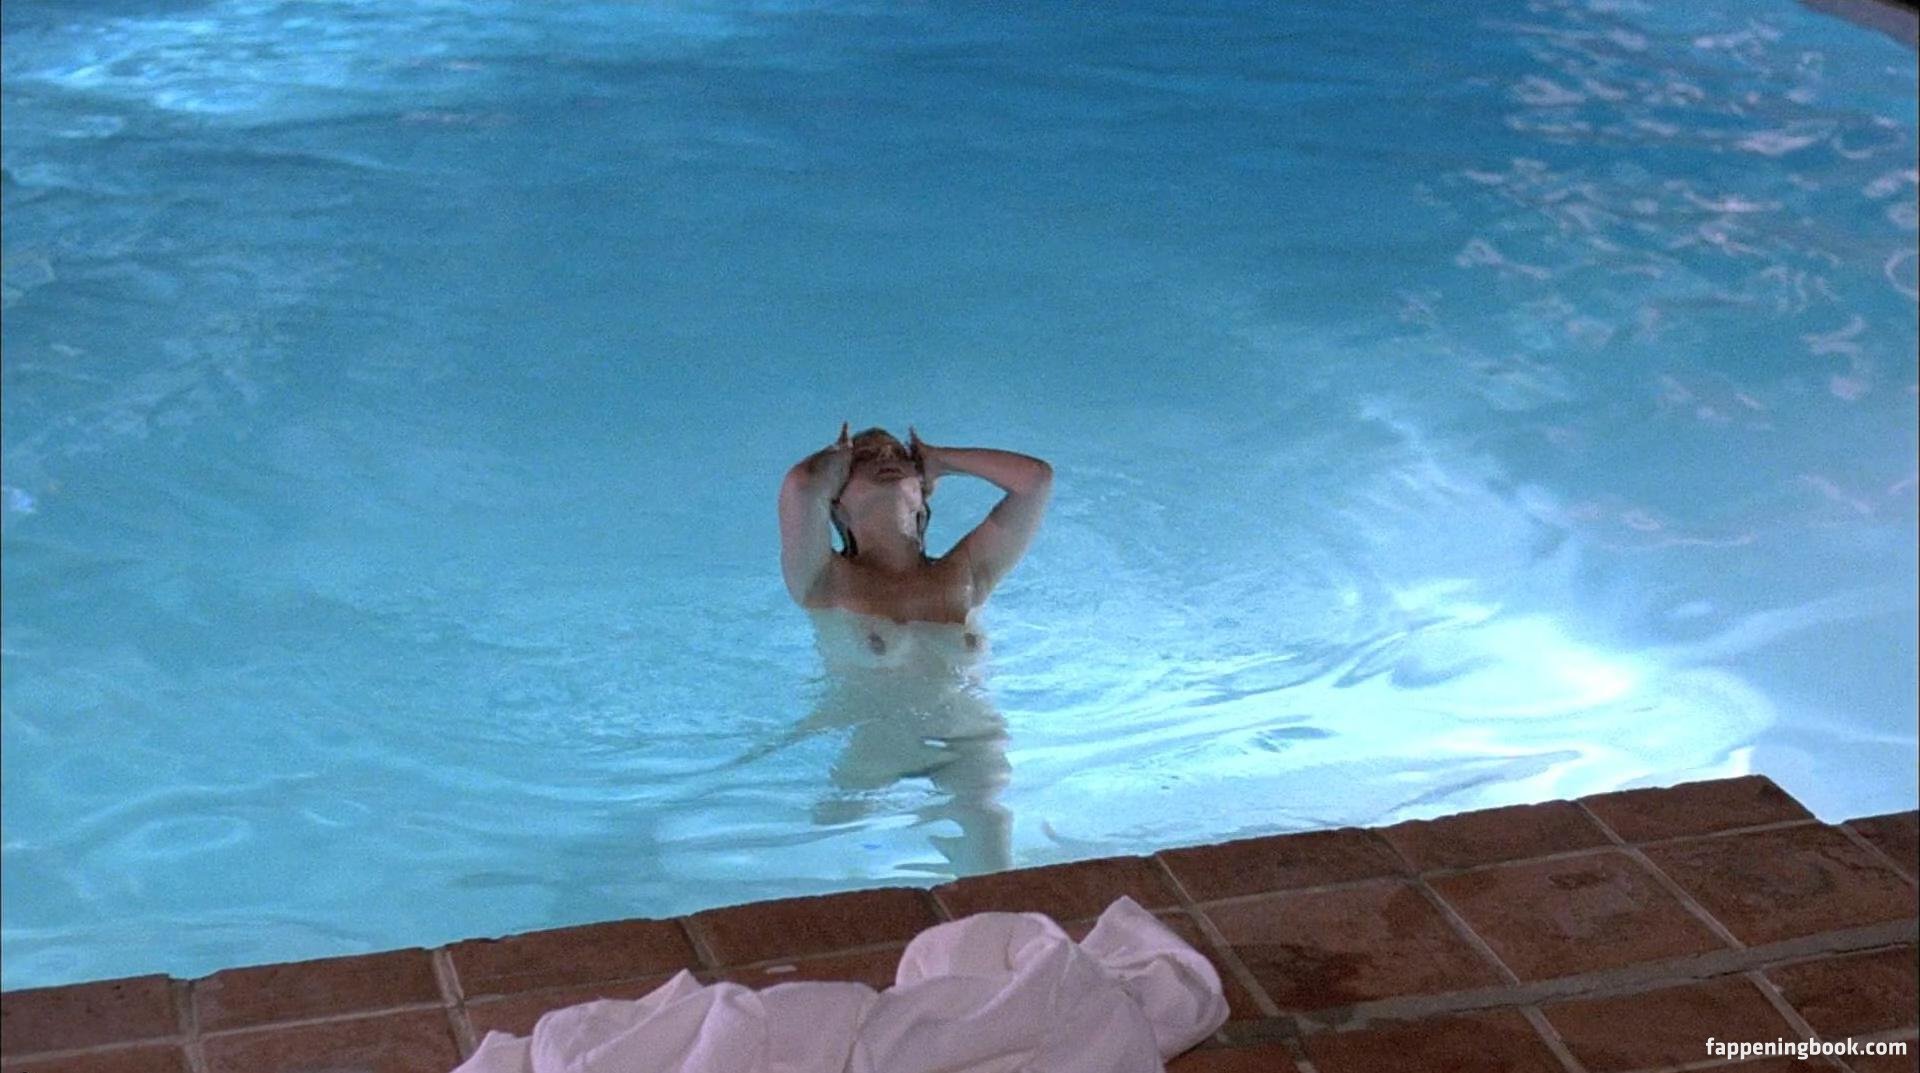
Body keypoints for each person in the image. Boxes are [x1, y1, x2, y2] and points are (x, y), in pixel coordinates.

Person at [777, 424, 1052, 657]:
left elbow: (1035, 480)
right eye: (864, 457)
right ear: (836, 501)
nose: (886, 458)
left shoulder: (965, 574)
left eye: (899, 455)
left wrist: (940, 460)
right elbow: (802, 486)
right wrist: (835, 455)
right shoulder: (824, 580)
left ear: (922, 493)